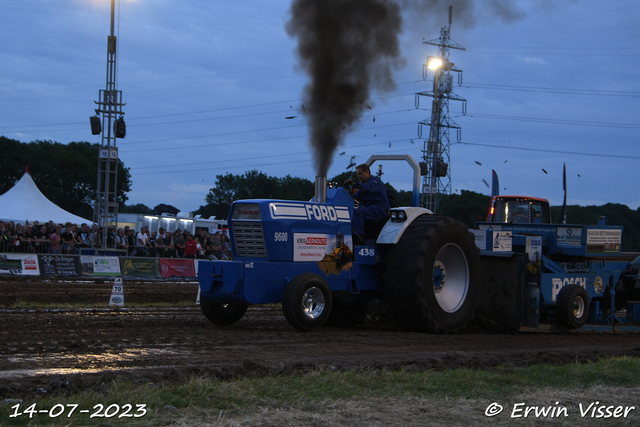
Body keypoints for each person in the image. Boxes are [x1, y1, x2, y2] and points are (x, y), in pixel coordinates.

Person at [343, 163, 390, 245]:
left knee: (356, 212)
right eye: (357, 174)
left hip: (380, 210)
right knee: (350, 211)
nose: (358, 176)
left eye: (360, 173)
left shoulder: (375, 181)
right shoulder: (361, 189)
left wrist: (354, 184)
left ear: (367, 172)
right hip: (370, 210)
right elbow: (354, 200)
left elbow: (370, 188)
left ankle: (358, 237)